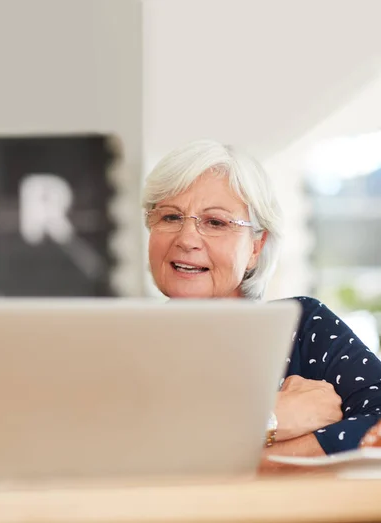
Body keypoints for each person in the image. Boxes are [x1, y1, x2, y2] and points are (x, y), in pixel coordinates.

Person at [142, 140, 381, 469]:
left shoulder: (303, 326)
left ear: (257, 246)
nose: (186, 239)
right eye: (170, 217)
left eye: (215, 222)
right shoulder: (120, 345)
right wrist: (272, 418)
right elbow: (111, 454)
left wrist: (249, 461)